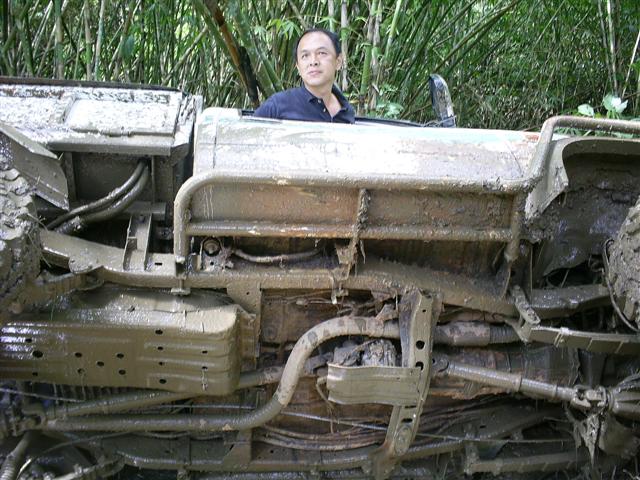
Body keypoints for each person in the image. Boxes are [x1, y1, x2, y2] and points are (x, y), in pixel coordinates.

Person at [253, 28, 355, 124]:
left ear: (338, 61)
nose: (313, 62)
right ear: (298, 66)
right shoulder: (277, 106)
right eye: (305, 56)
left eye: (321, 53)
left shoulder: (346, 110)